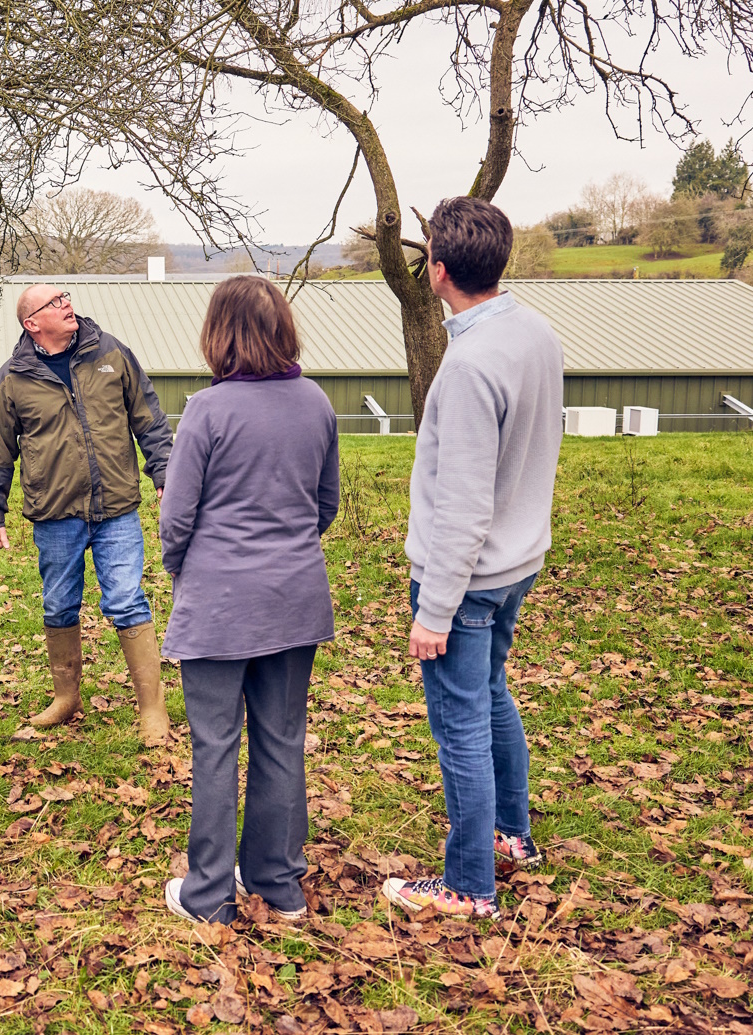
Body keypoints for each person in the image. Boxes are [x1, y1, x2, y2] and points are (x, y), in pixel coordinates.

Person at [381, 197, 564, 919]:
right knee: (491, 696)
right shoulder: (536, 332)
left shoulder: (467, 368)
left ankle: (467, 885)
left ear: (438, 269)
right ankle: (512, 836)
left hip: (472, 576)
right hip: (518, 561)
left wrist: (435, 610)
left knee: (459, 722)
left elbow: (461, 505)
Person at [158, 276, 340, 925]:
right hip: (294, 597)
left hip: (218, 603)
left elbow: (175, 518)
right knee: (281, 740)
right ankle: (280, 883)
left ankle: (209, 893)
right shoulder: (317, 401)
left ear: (219, 333)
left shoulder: (208, 410)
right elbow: (326, 504)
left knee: (215, 746)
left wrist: (185, 570)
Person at [0, 285, 174, 745]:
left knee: (127, 600)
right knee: (59, 604)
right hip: (55, 512)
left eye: (65, 296)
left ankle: (152, 709)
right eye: (54, 302)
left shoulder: (111, 353)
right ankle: (66, 698)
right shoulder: (12, 379)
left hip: (116, 507)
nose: (67, 304)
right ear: (32, 323)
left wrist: (163, 468)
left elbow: (148, 416)